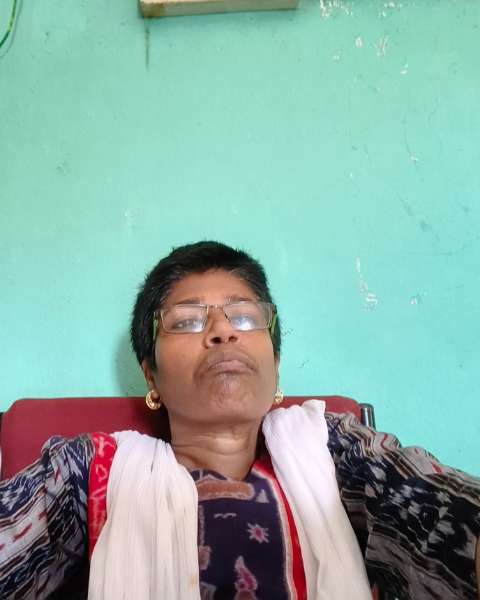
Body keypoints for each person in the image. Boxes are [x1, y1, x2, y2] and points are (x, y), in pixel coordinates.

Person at [1, 240, 479, 600]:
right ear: (151, 376)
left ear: (275, 365)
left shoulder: (333, 450)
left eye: (245, 317)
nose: (222, 331)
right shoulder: (90, 471)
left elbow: (435, 511)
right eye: (186, 321)